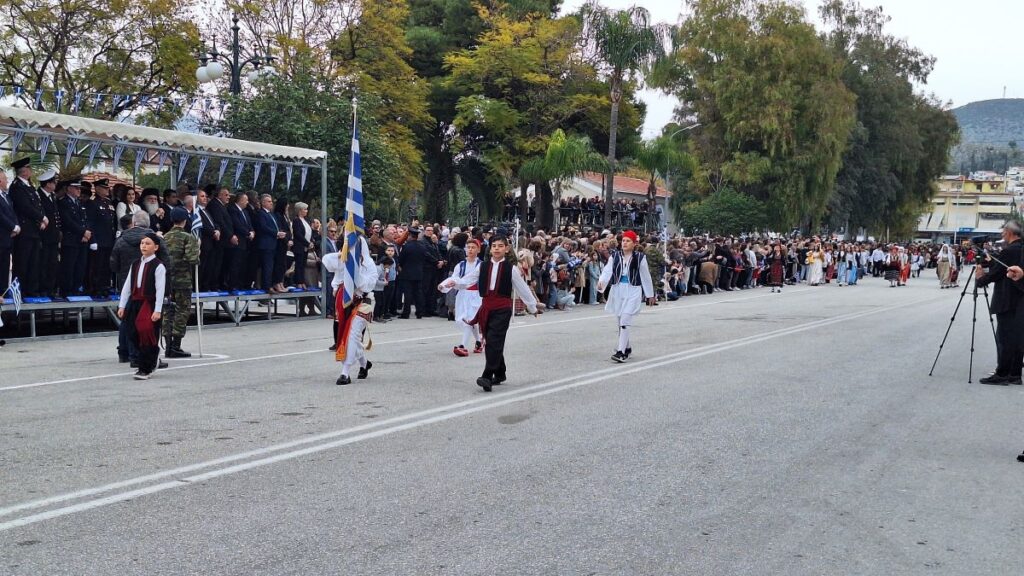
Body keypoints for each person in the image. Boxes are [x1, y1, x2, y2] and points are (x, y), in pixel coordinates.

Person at [442, 235, 537, 392]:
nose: (497, 249)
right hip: (486, 307)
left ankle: (487, 376)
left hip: (502, 308)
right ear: (490, 248)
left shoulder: (511, 269)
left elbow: (523, 288)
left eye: (500, 246)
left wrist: (532, 307)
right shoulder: (483, 266)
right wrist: (455, 282)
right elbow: (468, 279)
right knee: (492, 340)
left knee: (493, 341)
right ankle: (500, 372)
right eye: (494, 246)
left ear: (506, 249)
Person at [111, 211, 169, 365]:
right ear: (148, 224)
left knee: (127, 321)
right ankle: (139, 356)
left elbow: (113, 264)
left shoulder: (121, 240)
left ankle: (124, 352)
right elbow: (166, 261)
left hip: (127, 284)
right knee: (146, 325)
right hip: (147, 290)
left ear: (134, 223)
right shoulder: (155, 240)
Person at [322, 233, 378, 385]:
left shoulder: (369, 264)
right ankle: (364, 363)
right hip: (345, 302)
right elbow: (327, 261)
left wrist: (355, 269)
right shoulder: (344, 259)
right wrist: (342, 255)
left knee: (352, 333)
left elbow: (365, 285)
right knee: (346, 334)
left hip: (363, 302)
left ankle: (345, 373)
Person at [976, 221, 1024, 386]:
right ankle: (1015, 374)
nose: (1002, 234)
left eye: (1004, 231)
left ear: (1010, 232)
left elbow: (996, 274)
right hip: (1020, 300)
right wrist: (991, 263)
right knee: (1017, 337)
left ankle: (1002, 373)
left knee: (1004, 337)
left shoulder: (1009, 250)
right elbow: (1001, 269)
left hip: (1007, 299)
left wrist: (980, 280)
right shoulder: (1020, 249)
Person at [596, 230, 655, 363]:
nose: (625, 243)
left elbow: (646, 277)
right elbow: (607, 270)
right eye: (623, 240)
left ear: (634, 243)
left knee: (625, 319)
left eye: (628, 241)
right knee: (620, 321)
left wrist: (650, 294)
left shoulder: (640, 257)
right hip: (618, 290)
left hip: (633, 289)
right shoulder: (615, 256)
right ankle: (627, 347)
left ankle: (621, 352)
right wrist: (602, 282)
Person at [117, 232, 166, 380]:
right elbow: (127, 286)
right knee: (132, 333)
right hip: (134, 302)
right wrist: (122, 305)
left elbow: (160, 289)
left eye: (148, 243)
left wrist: (157, 310)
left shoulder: (158, 266)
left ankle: (146, 368)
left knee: (146, 334)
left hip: (148, 304)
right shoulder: (136, 264)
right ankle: (147, 359)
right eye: (142, 243)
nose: (144, 246)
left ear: (156, 247)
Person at [162, 208, 200, 358]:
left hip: (167, 280)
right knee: (182, 311)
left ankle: (167, 343)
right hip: (182, 280)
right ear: (185, 220)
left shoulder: (164, 237)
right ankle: (175, 346)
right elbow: (193, 259)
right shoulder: (187, 237)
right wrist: (197, 250)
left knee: (168, 312)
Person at [9, 157, 46, 297]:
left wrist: (41, 219)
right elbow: (25, 207)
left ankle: (32, 291)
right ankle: (19, 293)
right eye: (29, 168)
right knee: (22, 264)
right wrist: (41, 217)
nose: (31, 171)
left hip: (34, 231)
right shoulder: (17, 187)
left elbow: (37, 205)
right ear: (24, 171)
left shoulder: (29, 186)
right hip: (24, 232)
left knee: (34, 263)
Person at [440, 238, 483, 357]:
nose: (470, 250)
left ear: (478, 250)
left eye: (473, 247)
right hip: (462, 295)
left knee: (469, 320)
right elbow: (454, 278)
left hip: (475, 296)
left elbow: (471, 279)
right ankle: (479, 341)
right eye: (468, 247)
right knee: (465, 320)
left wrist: (456, 283)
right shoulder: (460, 265)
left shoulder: (481, 265)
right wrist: (443, 285)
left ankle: (462, 346)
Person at [86, 178, 117, 297]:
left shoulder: (108, 202)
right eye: (104, 188)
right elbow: (90, 223)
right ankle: (95, 287)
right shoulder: (93, 202)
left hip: (109, 239)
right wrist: (93, 240)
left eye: (107, 188)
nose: (107, 190)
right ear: (97, 189)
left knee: (106, 265)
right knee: (97, 265)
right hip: (98, 240)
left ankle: (105, 286)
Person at [57, 181, 89, 296]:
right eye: (76, 188)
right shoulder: (63, 202)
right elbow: (68, 221)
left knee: (80, 266)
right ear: (69, 188)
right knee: (69, 267)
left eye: (79, 188)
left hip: (82, 239)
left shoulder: (79, 203)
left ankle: (76, 289)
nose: (79, 190)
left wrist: (87, 233)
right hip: (71, 239)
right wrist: (83, 232)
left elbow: (84, 220)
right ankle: (67, 291)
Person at [254, 194, 284, 294]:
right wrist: (276, 233)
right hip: (265, 244)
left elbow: (275, 226)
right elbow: (263, 227)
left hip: (273, 244)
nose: (271, 203)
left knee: (271, 266)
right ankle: (266, 286)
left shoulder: (271, 214)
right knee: (267, 266)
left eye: (271, 201)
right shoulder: (261, 214)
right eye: (269, 201)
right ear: (263, 203)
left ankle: (270, 284)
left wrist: (279, 232)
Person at [397, 227, 426, 318]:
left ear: (410, 236)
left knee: (407, 294)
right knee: (418, 293)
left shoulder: (406, 247)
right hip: (419, 273)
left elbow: (401, 259)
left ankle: (406, 313)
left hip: (407, 273)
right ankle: (419, 312)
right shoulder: (422, 247)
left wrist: (401, 266)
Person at [0, 171, 20, 298]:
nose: (7, 181)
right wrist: (12, 226)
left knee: (5, 268)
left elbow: (12, 213)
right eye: (5, 179)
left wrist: (16, 226)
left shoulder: (6, 196)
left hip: (8, 239)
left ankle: (3, 292)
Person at [292, 202, 312, 290]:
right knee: (299, 264)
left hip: (305, 247)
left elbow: (308, 232)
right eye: (305, 209)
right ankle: (298, 282)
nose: (306, 211)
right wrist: (307, 243)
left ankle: (302, 281)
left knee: (303, 264)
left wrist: (310, 242)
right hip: (299, 246)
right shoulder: (296, 221)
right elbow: (298, 234)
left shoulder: (305, 220)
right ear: (300, 210)